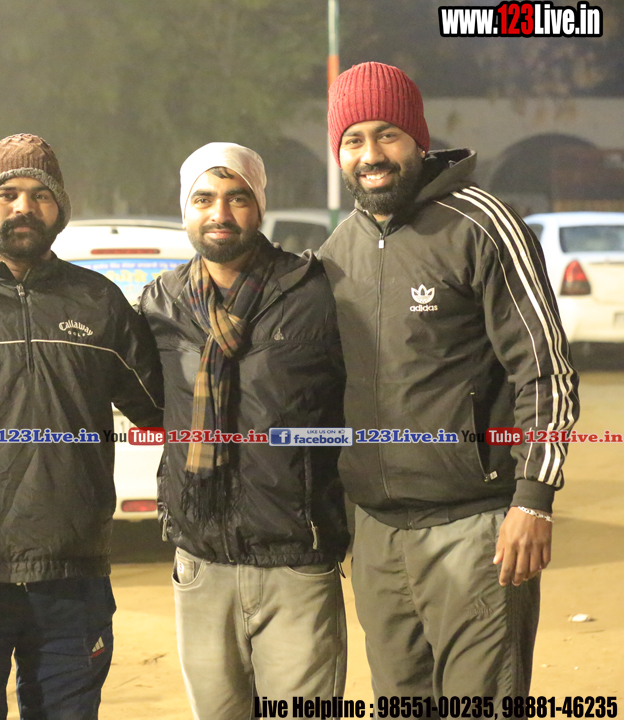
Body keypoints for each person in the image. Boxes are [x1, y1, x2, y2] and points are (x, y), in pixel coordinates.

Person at [319, 62, 580, 698]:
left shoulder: (483, 224)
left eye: (387, 135)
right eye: (353, 140)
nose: (371, 155)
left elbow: (545, 370)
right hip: (377, 536)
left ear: (418, 138)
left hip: (476, 528)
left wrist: (532, 499)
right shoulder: (337, 251)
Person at [0, 133, 163, 720]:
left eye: (41, 195)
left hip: (72, 577)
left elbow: (163, 408)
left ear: (59, 209)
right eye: (8, 194)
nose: (24, 207)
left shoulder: (98, 301)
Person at [138, 143, 349, 715]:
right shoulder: (161, 304)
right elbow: (146, 402)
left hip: (295, 560)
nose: (220, 213)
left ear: (259, 207)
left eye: (237, 198)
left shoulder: (314, 293)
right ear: (185, 210)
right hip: (201, 563)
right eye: (204, 199)